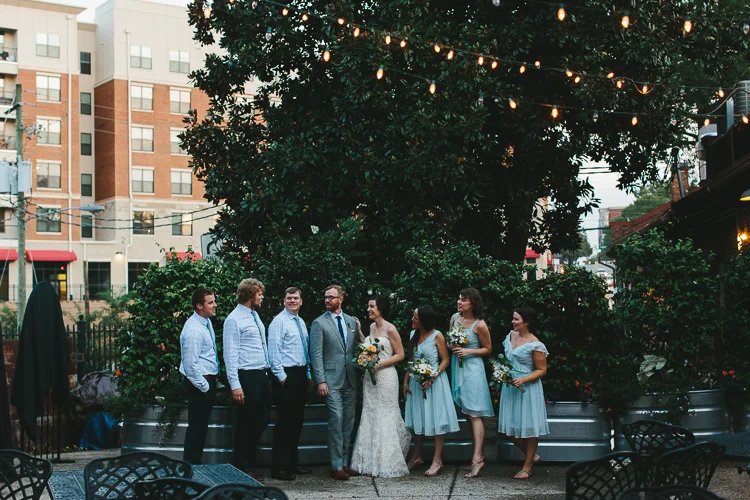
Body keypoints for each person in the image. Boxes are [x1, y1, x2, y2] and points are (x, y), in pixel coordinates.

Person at [350, 296, 411, 477]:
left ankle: (387, 462)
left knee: (385, 413)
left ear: (380, 308)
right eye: (368, 306)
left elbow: (400, 354)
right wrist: (360, 332)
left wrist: (379, 365)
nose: (368, 309)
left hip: (385, 377)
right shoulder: (371, 327)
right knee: (370, 413)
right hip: (370, 378)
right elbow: (368, 346)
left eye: (372, 306)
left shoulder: (391, 328)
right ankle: (369, 463)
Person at [309, 285, 359, 481]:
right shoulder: (319, 323)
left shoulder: (351, 322)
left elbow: (355, 349)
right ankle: (336, 465)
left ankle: (345, 462)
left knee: (348, 422)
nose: (327, 300)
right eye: (325, 297)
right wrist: (320, 380)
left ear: (341, 299)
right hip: (330, 381)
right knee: (336, 420)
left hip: (350, 378)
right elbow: (316, 354)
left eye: (331, 297)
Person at [224, 278, 271, 483]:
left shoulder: (254, 315)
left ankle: (248, 461)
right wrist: (235, 385)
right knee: (246, 422)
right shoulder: (234, 319)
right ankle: (242, 467)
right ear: (250, 295)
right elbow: (230, 354)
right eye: (259, 294)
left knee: (262, 418)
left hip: (261, 375)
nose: (262, 297)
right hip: (247, 375)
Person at [403, 305, 459, 477]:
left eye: (415, 317)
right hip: (417, 383)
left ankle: (437, 460)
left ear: (424, 320)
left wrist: (432, 377)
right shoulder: (413, 335)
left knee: (436, 419)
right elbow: (411, 360)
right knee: (419, 418)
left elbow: (445, 360)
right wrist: (405, 381)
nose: (412, 320)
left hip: (434, 383)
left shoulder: (437, 335)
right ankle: (416, 456)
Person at [498, 306, 549, 480]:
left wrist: (524, 379)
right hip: (510, 386)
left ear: (526, 322)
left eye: (516, 319)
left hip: (528, 388)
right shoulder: (510, 336)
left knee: (530, 428)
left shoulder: (536, 344)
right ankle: (531, 455)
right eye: (513, 318)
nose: (512, 322)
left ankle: (527, 467)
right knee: (509, 430)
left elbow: (542, 370)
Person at [267, 287, 313, 480]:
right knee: (285, 423)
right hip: (286, 376)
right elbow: (273, 352)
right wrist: (282, 377)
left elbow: (305, 350)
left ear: (301, 301)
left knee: (297, 422)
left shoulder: (300, 322)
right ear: (283, 301)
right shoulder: (279, 322)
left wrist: (308, 375)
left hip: (300, 375)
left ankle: (293, 463)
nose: (292, 301)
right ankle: (278, 467)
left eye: (295, 298)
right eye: (289, 298)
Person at [449, 288, 494, 478]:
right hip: (457, 367)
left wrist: (468, 351)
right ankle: (480, 453)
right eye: (459, 298)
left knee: (475, 414)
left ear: (473, 303)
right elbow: (450, 340)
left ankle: (477, 459)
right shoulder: (454, 318)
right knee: (468, 413)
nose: (459, 302)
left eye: (464, 300)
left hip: (473, 369)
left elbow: (488, 349)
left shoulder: (480, 325)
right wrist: (453, 345)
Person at [179, 287, 219, 465]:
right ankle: (191, 467)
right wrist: (205, 386)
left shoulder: (205, 322)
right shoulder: (194, 330)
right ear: (199, 306)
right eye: (210, 302)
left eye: (214, 301)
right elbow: (190, 365)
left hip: (205, 380)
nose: (215, 305)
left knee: (200, 427)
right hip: (200, 382)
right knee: (197, 428)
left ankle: (194, 465)